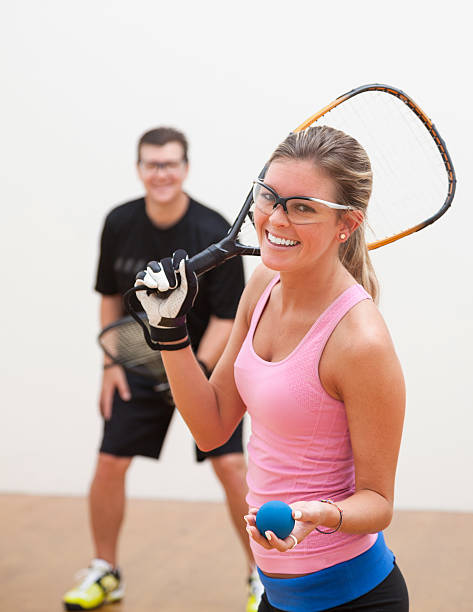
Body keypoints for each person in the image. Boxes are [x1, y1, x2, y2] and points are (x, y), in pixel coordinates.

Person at [133, 125, 410, 611]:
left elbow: (378, 503)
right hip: (278, 596)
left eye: (303, 207)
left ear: (346, 224)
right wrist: (171, 332)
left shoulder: (360, 342)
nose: (276, 219)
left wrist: (316, 515)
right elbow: (211, 426)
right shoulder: (263, 282)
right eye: (269, 197)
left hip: (354, 599)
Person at [63, 127, 263, 612]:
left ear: (186, 168)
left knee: (232, 466)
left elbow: (226, 318)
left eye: (170, 164)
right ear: (139, 169)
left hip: (205, 366)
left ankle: (261, 578)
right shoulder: (119, 223)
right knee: (110, 463)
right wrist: (110, 364)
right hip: (137, 361)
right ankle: (104, 570)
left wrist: (191, 373)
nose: (161, 173)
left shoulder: (211, 228)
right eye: (152, 164)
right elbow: (111, 296)